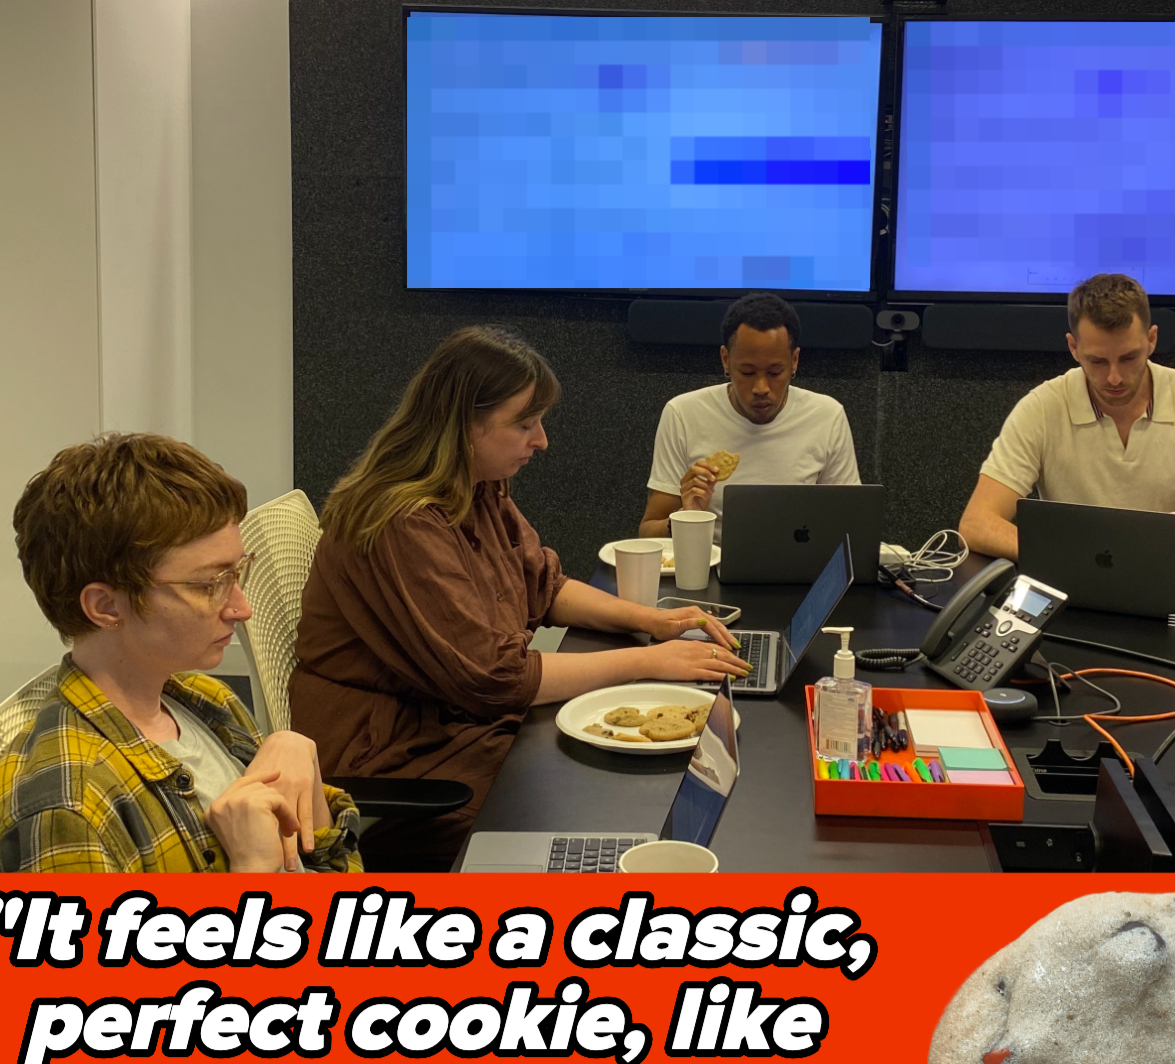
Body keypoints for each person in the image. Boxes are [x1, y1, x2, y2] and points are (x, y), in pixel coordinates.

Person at [289, 326, 748, 865]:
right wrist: (649, 661)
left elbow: (544, 585)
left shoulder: (476, 486)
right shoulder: (403, 522)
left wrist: (655, 620)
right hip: (403, 763)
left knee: (615, 789)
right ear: (463, 427)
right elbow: (495, 677)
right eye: (524, 423)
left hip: (458, 726)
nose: (541, 440)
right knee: (597, 805)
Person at [0, 433, 360, 874]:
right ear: (107, 607)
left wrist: (301, 760)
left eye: (237, 573)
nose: (242, 609)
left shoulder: (205, 700)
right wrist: (252, 871)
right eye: (208, 585)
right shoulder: (68, 804)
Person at [959, 273, 1175, 561]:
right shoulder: (1043, 407)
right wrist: (1062, 558)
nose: (1114, 378)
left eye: (1129, 358)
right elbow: (976, 523)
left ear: (1152, 340)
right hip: (1068, 580)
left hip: (1168, 577)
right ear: (1074, 348)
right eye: (1098, 361)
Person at [640, 292, 861, 541]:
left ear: (794, 361)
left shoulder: (827, 416)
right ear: (725, 360)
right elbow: (648, 532)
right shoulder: (683, 414)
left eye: (775, 372)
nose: (761, 388)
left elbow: (849, 524)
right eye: (747, 372)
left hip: (797, 569)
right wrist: (685, 517)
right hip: (709, 567)